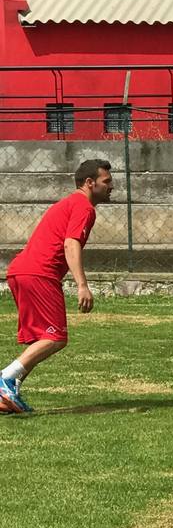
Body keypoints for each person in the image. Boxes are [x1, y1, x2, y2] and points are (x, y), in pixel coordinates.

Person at [1, 159, 113, 414]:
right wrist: (82, 285)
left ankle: (8, 395)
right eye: (106, 181)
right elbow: (70, 243)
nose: (111, 187)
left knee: (42, 339)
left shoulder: (68, 203)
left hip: (21, 271)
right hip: (40, 273)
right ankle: (5, 378)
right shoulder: (84, 207)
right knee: (55, 337)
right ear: (89, 183)